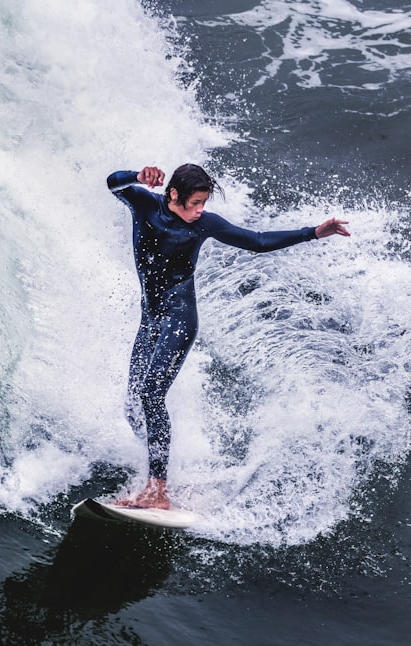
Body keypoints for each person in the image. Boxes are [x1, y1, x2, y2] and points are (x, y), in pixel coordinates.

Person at [107, 164, 350, 509]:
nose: (200, 210)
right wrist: (137, 176)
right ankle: (161, 473)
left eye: (204, 202)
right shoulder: (144, 204)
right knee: (133, 408)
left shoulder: (205, 224)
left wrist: (313, 232)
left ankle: (158, 489)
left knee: (150, 393)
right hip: (150, 320)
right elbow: (113, 183)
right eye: (195, 202)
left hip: (179, 318)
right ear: (173, 194)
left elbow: (257, 241)